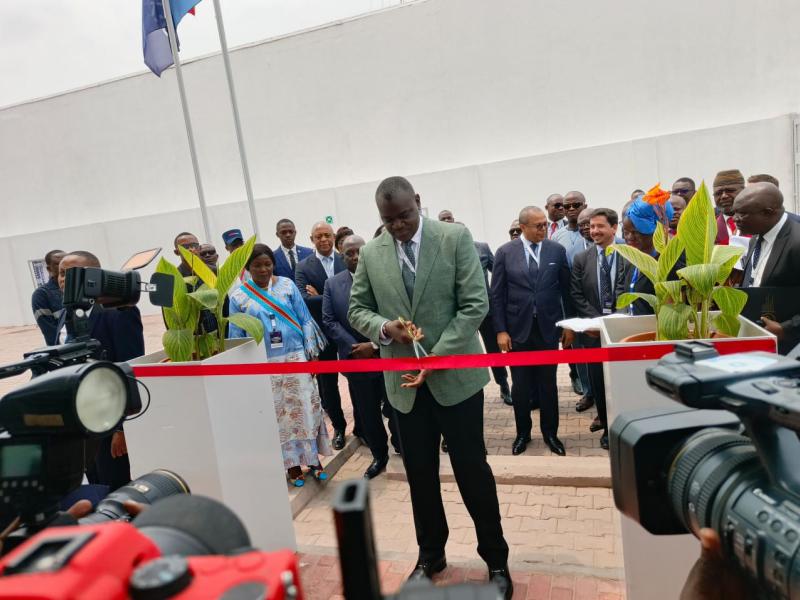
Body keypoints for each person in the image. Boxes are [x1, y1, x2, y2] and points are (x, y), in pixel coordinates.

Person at [348, 176, 512, 598]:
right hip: (404, 387)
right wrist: (384, 328)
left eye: (404, 216)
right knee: (420, 477)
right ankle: (430, 556)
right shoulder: (371, 251)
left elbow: (475, 303)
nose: (398, 227)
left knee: (472, 472)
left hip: (455, 380)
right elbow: (357, 308)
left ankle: (496, 560)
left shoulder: (455, 237)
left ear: (418, 203)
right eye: (389, 220)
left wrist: (436, 356)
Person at [228, 244, 332, 486]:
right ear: (247, 268)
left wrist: (312, 355)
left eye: (267, 264)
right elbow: (236, 337)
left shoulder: (287, 285)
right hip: (265, 365)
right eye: (257, 265)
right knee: (281, 416)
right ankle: (292, 465)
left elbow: (305, 319)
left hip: (297, 358)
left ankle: (313, 460)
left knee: (306, 409)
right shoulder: (239, 297)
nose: (264, 269)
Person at [57, 251, 144, 491]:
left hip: (110, 422)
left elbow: (129, 367)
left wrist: (122, 429)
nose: (63, 279)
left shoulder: (118, 313)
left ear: (94, 276)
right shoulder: (66, 313)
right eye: (61, 273)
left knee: (115, 486)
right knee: (94, 485)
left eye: (72, 273)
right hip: (80, 424)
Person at [491, 206, 573, 457]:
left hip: (548, 329)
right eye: (537, 225)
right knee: (521, 386)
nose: (543, 229)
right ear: (523, 227)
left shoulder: (556, 251)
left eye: (544, 225)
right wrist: (501, 331)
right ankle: (523, 434)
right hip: (518, 331)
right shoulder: (505, 253)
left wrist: (568, 323)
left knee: (548, 384)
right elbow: (497, 295)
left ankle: (551, 433)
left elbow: (567, 291)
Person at [322, 235, 395, 478]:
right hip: (355, 360)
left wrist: (373, 345)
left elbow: (393, 314)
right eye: (348, 253)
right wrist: (355, 346)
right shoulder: (332, 284)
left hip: (387, 355)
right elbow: (329, 321)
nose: (354, 257)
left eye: (358, 252)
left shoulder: (383, 277)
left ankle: (402, 446)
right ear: (341, 256)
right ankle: (379, 455)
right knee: (368, 411)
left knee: (395, 407)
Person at [437, 209, 511, 406]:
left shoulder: (481, 248)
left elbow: (498, 274)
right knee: (464, 351)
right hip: (458, 314)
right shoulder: (441, 253)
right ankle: (468, 390)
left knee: (493, 350)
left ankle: (503, 385)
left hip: (484, 310)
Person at [569, 208, 627, 450]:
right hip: (593, 332)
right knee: (599, 384)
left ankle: (623, 428)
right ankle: (605, 426)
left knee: (622, 383)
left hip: (622, 331)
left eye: (599, 226)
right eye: (591, 227)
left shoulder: (629, 254)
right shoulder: (582, 259)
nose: (594, 231)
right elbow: (577, 295)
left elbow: (629, 291)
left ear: (614, 228)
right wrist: (598, 322)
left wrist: (615, 320)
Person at [295, 222, 348, 450]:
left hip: (348, 330)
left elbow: (357, 292)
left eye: (327, 235)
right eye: (318, 236)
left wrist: (321, 294)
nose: (323, 239)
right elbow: (303, 299)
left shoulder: (345, 259)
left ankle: (363, 427)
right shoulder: (304, 266)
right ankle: (339, 427)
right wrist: (335, 295)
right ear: (312, 239)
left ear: (334, 237)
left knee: (356, 381)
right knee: (328, 384)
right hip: (322, 335)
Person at [734, 182, 800, 355]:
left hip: (790, 349)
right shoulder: (756, 237)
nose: (735, 218)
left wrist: (787, 329)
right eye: (735, 212)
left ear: (768, 213)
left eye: (742, 213)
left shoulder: (796, 242)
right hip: (760, 342)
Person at [552, 191, 590, 398]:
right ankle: (587, 391)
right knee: (578, 347)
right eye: (567, 207)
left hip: (596, 298)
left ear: (585, 205)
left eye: (576, 204)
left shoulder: (593, 231)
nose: (572, 209)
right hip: (569, 299)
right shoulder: (558, 237)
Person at [620, 197, 676, 315]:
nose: (629, 237)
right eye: (626, 232)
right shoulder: (633, 258)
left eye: (635, 232)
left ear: (655, 231)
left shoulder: (672, 262)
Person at [32, 249, 65, 345]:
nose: (63, 266)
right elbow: (51, 333)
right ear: (49, 269)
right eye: (57, 264)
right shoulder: (41, 294)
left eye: (65, 262)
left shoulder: (81, 287)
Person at [713, 170, 746, 244]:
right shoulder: (709, 228)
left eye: (730, 191)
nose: (724, 196)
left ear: (744, 191)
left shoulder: (758, 223)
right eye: (718, 193)